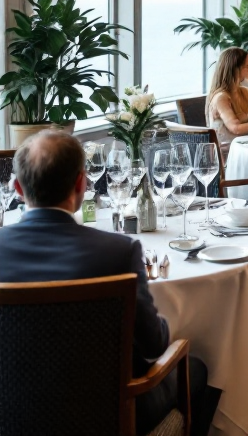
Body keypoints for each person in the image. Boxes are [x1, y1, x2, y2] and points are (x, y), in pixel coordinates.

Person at [0, 132, 217, 435]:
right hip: (109, 415)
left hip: (10, 415)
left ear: (18, 189)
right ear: (81, 185)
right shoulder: (119, 251)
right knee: (195, 368)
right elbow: (155, 344)